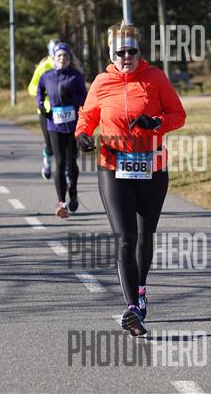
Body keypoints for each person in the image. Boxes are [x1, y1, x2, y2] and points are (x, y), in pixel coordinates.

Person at [75, 23, 186, 336]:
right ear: (111, 54)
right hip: (113, 166)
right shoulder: (102, 82)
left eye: (132, 51)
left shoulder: (156, 78)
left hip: (152, 167)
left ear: (140, 52)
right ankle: (132, 309)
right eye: (120, 52)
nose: (127, 57)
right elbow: (87, 116)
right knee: (125, 237)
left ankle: (140, 289)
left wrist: (156, 123)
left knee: (144, 237)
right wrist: (82, 135)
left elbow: (178, 115)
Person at [36, 43, 87, 218]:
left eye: (65, 56)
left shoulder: (76, 76)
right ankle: (61, 202)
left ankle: (73, 192)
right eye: (59, 56)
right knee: (59, 163)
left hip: (73, 125)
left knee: (71, 162)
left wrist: (72, 98)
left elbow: (84, 99)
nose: (62, 59)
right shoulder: (47, 76)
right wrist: (41, 106)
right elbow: (39, 90)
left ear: (69, 59)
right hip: (54, 124)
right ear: (54, 58)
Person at [28, 39, 58, 180]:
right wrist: (43, 91)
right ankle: (47, 163)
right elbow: (31, 87)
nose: (59, 57)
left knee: (65, 144)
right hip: (46, 111)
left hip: (64, 111)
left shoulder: (67, 65)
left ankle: (64, 170)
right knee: (50, 143)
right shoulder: (44, 66)